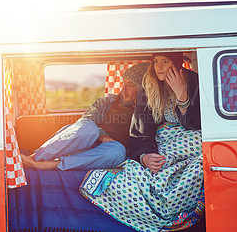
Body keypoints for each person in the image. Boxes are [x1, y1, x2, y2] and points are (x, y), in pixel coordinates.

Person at [80, 52, 204, 232]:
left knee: (198, 161)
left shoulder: (194, 82)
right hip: (162, 139)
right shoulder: (148, 87)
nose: (159, 66)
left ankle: (168, 198)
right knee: (154, 166)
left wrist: (181, 94)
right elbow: (140, 129)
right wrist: (144, 156)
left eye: (165, 61)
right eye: (155, 62)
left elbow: (195, 124)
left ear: (177, 64)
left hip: (192, 138)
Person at [21, 62, 150, 171]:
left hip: (105, 152)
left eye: (130, 85)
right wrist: (102, 135)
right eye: (124, 83)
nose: (124, 89)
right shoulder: (106, 102)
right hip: (87, 141)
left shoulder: (148, 113)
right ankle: (35, 157)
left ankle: (52, 164)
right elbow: (84, 122)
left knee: (118, 152)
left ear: (143, 89)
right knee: (89, 127)